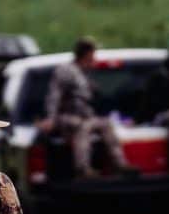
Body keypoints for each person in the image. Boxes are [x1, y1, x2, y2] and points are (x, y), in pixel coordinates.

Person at [43, 37, 118, 176]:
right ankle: (83, 168)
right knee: (83, 126)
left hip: (85, 116)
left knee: (106, 124)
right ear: (87, 53)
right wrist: (51, 119)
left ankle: (119, 164)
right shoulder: (66, 71)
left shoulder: (84, 73)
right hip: (66, 117)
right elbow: (54, 96)